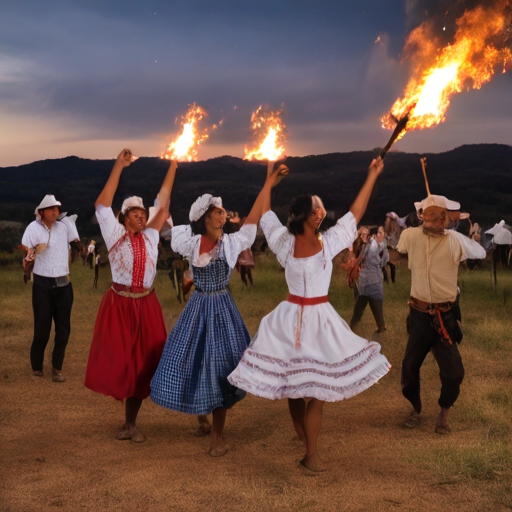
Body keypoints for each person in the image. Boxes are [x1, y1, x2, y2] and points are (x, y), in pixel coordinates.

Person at [228, 157, 391, 472]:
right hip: (291, 320)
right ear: (302, 215)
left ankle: (311, 453)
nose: (321, 212)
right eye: (315, 208)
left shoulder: (327, 242)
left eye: (321, 209)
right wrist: (268, 181)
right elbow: (264, 213)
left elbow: (354, 213)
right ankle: (307, 445)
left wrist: (372, 175)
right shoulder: (284, 243)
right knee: (296, 388)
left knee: (314, 391)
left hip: (318, 320)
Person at [150, 160, 289, 457]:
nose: (223, 216)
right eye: (218, 212)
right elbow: (166, 209)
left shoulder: (232, 242)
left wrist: (268, 184)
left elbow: (252, 218)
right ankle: (201, 413)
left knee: (221, 370)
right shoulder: (189, 242)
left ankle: (217, 436)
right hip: (198, 305)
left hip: (222, 309)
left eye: (223, 212)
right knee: (193, 361)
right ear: (204, 218)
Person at [85, 149, 177, 443]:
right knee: (123, 362)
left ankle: (130, 422)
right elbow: (102, 203)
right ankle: (128, 422)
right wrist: (119, 165)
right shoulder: (113, 234)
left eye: (143, 213)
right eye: (135, 213)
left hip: (146, 304)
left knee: (144, 365)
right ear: (124, 217)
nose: (141, 216)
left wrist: (175, 162)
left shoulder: (151, 236)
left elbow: (163, 203)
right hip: (120, 305)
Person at [397, 194, 486, 434]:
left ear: (446, 219)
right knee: (409, 366)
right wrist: (427, 221)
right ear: (421, 216)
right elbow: (401, 246)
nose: (435, 221)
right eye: (430, 215)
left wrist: (454, 226)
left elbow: (480, 252)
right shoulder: (411, 236)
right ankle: (415, 409)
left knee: (455, 372)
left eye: (441, 217)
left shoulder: (455, 240)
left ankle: (443, 413)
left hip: (444, 316)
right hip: (418, 314)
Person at [21, 195, 80, 382]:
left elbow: (75, 244)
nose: (55, 211)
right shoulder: (33, 228)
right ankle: (37, 367)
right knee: (42, 329)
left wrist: (77, 247)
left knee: (63, 330)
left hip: (63, 284)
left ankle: (57, 368)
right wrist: (29, 260)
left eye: (56, 208)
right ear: (41, 212)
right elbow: (27, 253)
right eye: (50, 209)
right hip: (41, 285)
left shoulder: (65, 226)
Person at [350, 225, 389, 334]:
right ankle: (379, 326)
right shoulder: (371, 245)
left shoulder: (380, 245)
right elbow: (381, 261)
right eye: (380, 233)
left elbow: (384, 260)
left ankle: (353, 325)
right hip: (370, 280)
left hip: (371, 280)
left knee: (367, 303)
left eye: (383, 232)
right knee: (369, 303)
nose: (383, 235)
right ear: (374, 235)